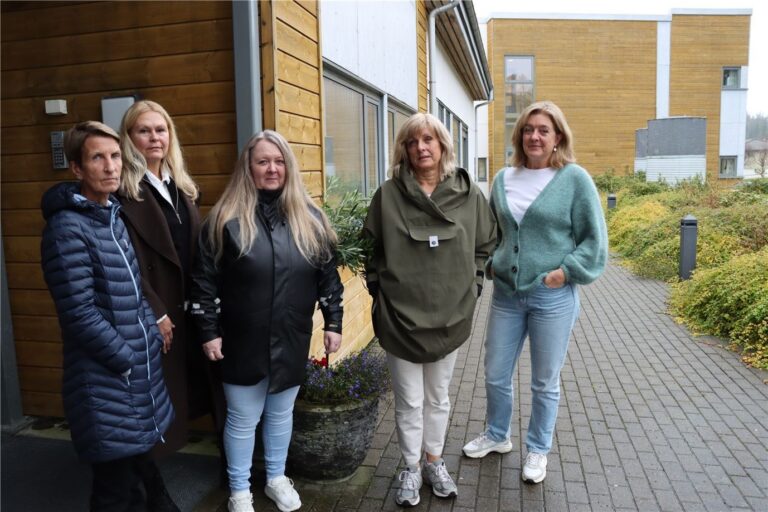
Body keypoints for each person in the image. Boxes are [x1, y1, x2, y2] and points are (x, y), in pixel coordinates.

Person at [190, 130, 344, 512]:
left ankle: (276, 477)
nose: (272, 169)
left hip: (291, 338)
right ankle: (239, 490)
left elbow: (328, 278)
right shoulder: (224, 221)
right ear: (249, 167)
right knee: (243, 419)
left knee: (280, 415)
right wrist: (208, 332)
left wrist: (334, 322)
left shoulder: (311, 220)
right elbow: (202, 284)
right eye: (263, 161)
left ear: (288, 167)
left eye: (278, 161)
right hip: (241, 341)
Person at [462, 101, 608, 485]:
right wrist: (492, 262)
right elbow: (492, 232)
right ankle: (497, 435)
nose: (535, 137)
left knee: (545, 381)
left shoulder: (574, 179)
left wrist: (566, 273)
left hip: (552, 296)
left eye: (543, 130)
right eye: (528, 129)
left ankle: (538, 449)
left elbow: (595, 241)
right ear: (519, 136)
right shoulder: (502, 179)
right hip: (507, 295)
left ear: (558, 136)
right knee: (495, 373)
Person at [363, 113, 496, 507]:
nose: (421, 147)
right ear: (403, 150)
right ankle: (409, 466)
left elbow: (485, 245)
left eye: (428, 140)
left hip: (450, 317)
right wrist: (380, 295)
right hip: (400, 319)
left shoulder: (468, 195)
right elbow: (370, 251)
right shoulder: (388, 196)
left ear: (442, 146)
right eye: (412, 141)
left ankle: (434, 461)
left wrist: (472, 288)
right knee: (408, 401)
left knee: (438, 398)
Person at [40, 121, 174, 511]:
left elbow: (132, 293)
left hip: (134, 375)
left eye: (115, 156)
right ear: (78, 169)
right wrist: (127, 358)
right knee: (115, 492)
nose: (110, 166)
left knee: (142, 474)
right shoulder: (67, 229)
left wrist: (148, 333)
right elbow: (78, 313)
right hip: (105, 380)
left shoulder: (111, 217)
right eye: (97, 158)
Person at [117, 100, 220, 459]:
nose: (154, 138)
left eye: (160, 130)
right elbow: (125, 262)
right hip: (157, 312)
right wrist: (155, 312)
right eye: (143, 131)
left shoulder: (181, 187)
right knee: (159, 398)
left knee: (198, 388)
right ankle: (152, 475)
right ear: (129, 138)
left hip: (191, 307)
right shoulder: (122, 193)